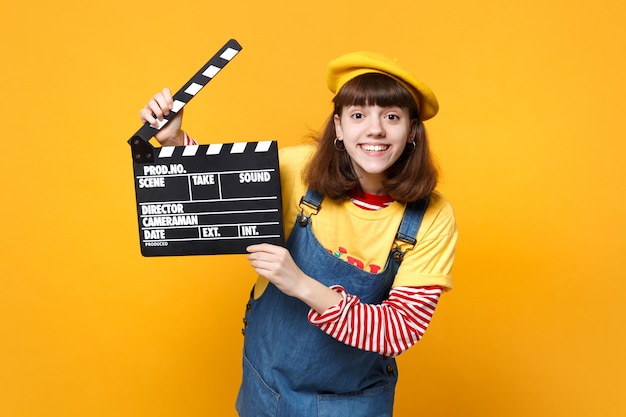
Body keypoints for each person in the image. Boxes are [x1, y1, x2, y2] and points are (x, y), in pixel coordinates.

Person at [140, 51, 457, 417]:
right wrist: (173, 141)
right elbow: (216, 197)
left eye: (391, 117)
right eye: (358, 115)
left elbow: (396, 331)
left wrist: (300, 284)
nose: (375, 130)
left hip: (354, 403)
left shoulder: (432, 217)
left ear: (412, 130)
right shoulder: (298, 169)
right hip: (266, 386)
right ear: (338, 126)